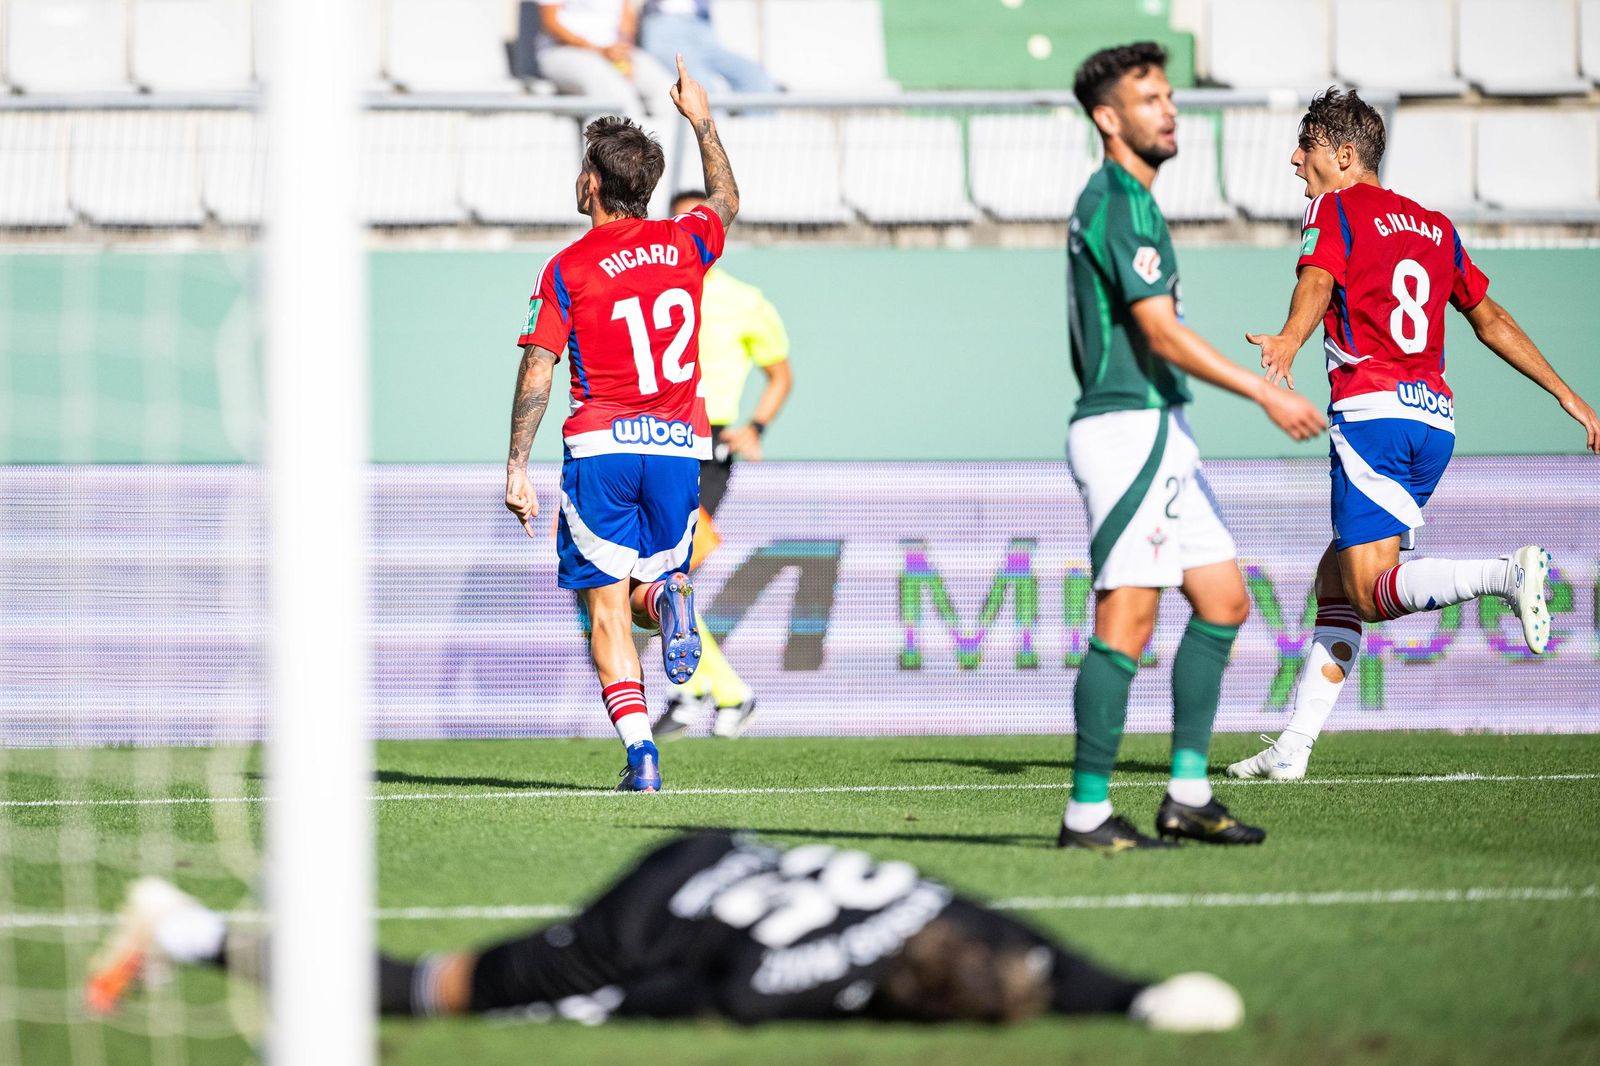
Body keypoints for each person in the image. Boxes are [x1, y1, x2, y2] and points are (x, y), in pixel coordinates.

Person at [1228, 89, 1600, 782]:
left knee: (1369, 592)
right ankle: (1292, 749)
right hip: (1432, 420)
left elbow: (1317, 279)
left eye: (1305, 147)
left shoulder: (1333, 207)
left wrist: (1290, 338)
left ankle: (1505, 573)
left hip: (1372, 414)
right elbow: (1489, 320)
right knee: (1335, 582)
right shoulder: (1434, 226)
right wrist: (1566, 392)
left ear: (1343, 155)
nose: (1294, 159)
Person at [85, 831, 1244, 1032]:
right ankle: (187, 930)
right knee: (435, 989)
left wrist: (1138, 996)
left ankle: (185, 928)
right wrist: (585, 998)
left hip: (709, 854)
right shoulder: (806, 981)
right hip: (642, 921)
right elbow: (712, 995)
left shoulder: (941, 912)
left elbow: (1045, 955)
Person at [1057, 42, 1327, 853]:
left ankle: (1185, 796)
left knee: (1223, 600)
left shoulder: (1137, 203)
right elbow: (1159, 332)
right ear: (1109, 119)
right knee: (1128, 619)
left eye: (1169, 96)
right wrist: (1266, 390)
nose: (1168, 110)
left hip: (1161, 430)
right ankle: (1086, 816)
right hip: (1126, 429)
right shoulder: (1114, 201)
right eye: (1149, 99)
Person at [503, 57, 740, 792]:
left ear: (595, 184)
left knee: (603, 609)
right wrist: (701, 118)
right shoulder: (687, 241)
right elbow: (727, 200)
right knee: (648, 592)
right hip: (678, 449)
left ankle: (642, 754)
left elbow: (540, 368)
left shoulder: (568, 267)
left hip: (602, 446)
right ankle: (668, 596)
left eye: (583, 171)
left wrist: (516, 464)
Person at [654, 188, 793, 740]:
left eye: (700, 223)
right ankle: (704, 691)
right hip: (656, 439)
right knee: (660, 576)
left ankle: (717, 691)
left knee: (669, 573)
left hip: (705, 448)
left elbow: (780, 372)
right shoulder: (655, 289)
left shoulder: (743, 299)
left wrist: (755, 427)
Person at [537, 0, 676, 117]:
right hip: (564, 51)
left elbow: (627, 19)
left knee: (670, 92)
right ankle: (626, 148)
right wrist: (598, 51)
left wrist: (623, 56)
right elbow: (551, 22)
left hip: (613, 53)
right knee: (618, 95)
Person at [639, 1, 778, 94]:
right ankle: (715, 137)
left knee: (756, 79)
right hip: (662, 26)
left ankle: (749, 136)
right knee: (702, 87)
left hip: (701, 26)